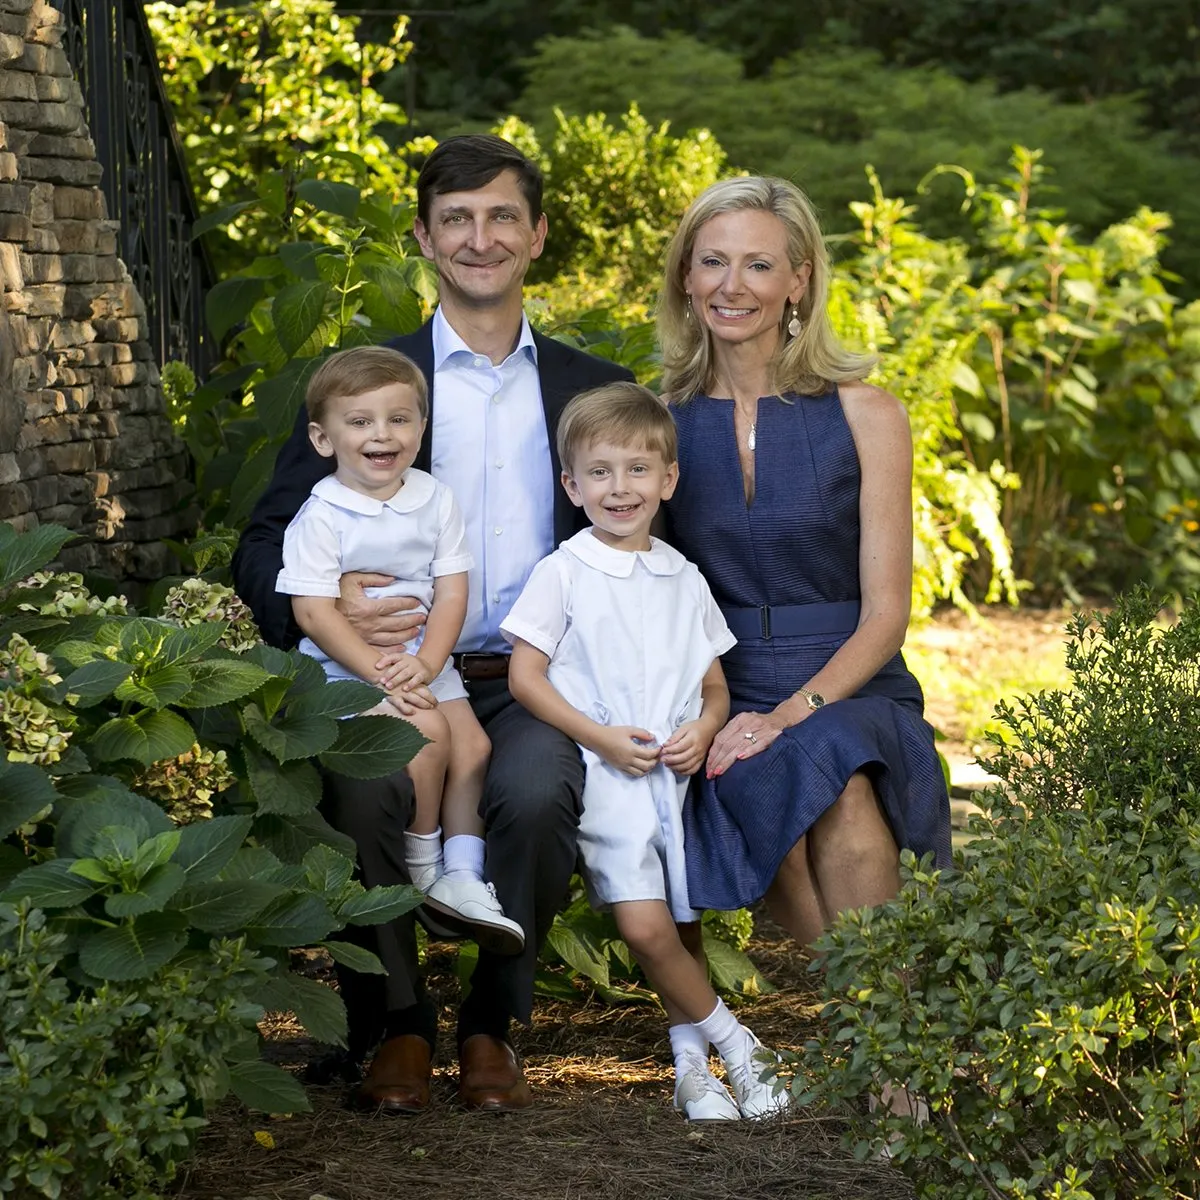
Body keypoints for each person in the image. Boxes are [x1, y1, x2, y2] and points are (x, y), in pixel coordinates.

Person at [232, 134, 633, 1114]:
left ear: (536, 235)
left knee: (537, 796)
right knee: (367, 793)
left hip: (536, 681)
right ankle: (395, 1025)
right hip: (387, 673)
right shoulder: (369, 383)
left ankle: (495, 1021)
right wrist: (330, 613)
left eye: (502, 216)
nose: (479, 238)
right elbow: (262, 544)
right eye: (456, 218)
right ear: (423, 236)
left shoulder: (593, 387)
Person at [657, 175, 952, 978]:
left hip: (852, 679)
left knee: (839, 776)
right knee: (767, 796)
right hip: (725, 683)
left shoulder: (868, 414)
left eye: (758, 265)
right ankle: (887, 1029)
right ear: (686, 276)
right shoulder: (658, 424)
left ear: (799, 281)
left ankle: (890, 1046)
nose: (731, 285)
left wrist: (789, 713)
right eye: (712, 261)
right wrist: (720, 711)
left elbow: (888, 612)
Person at [503, 383, 787, 1122]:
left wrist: (705, 726)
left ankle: (692, 1070)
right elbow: (524, 676)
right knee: (643, 926)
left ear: (668, 479)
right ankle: (742, 1046)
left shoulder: (682, 575)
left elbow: (714, 685)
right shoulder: (563, 571)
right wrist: (597, 737)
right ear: (571, 485)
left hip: (676, 776)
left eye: (637, 471)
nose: (619, 488)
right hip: (610, 772)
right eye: (599, 472)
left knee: (682, 925)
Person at [275, 345, 523, 954]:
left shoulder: (434, 499)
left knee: (474, 745)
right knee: (428, 736)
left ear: (420, 426)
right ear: (323, 437)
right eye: (359, 422)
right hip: (348, 665)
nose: (381, 435)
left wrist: (428, 665)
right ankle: (423, 865)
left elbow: (452, 593)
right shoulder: (322, 514)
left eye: (398, 418)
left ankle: (463, 874)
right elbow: (311, 611)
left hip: (421, 658)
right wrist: (384, 676)